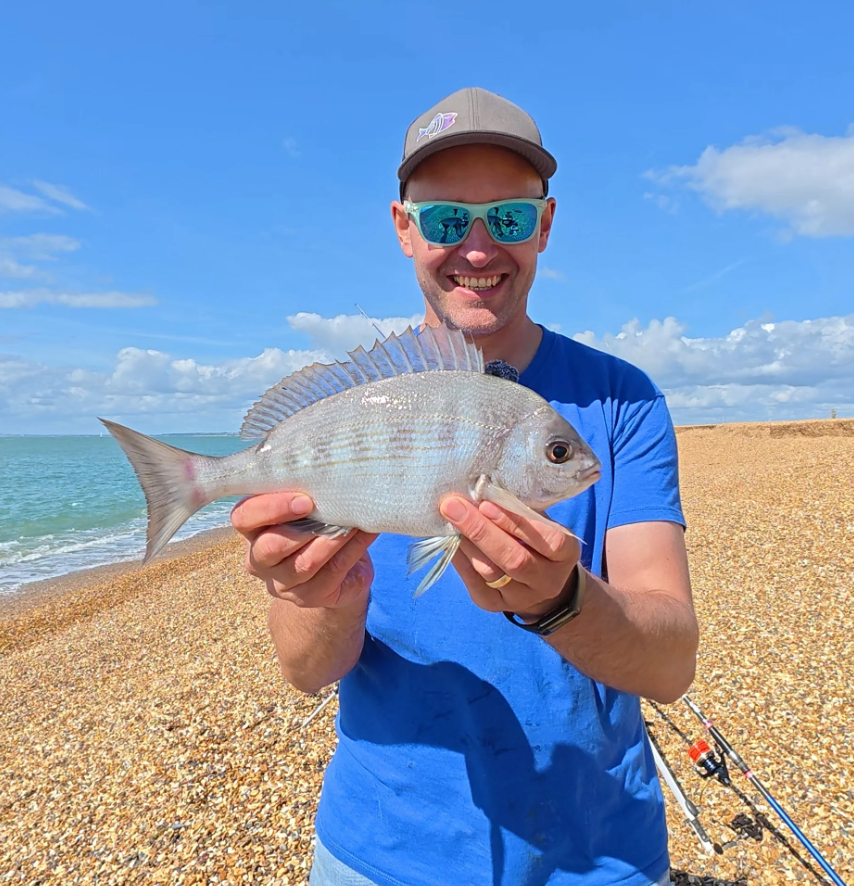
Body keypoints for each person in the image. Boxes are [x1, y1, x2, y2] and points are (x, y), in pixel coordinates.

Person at [231, 87, 698, 886]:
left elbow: (670, 666)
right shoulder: (355, 405)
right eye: (447, 220)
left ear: (545, 225)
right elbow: (306, 672)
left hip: (600, 853)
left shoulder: (625, 402)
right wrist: (329, 596)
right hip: (379, 852)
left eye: (509, 220)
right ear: (404, 228)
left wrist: (559, 602)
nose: (478, 249)